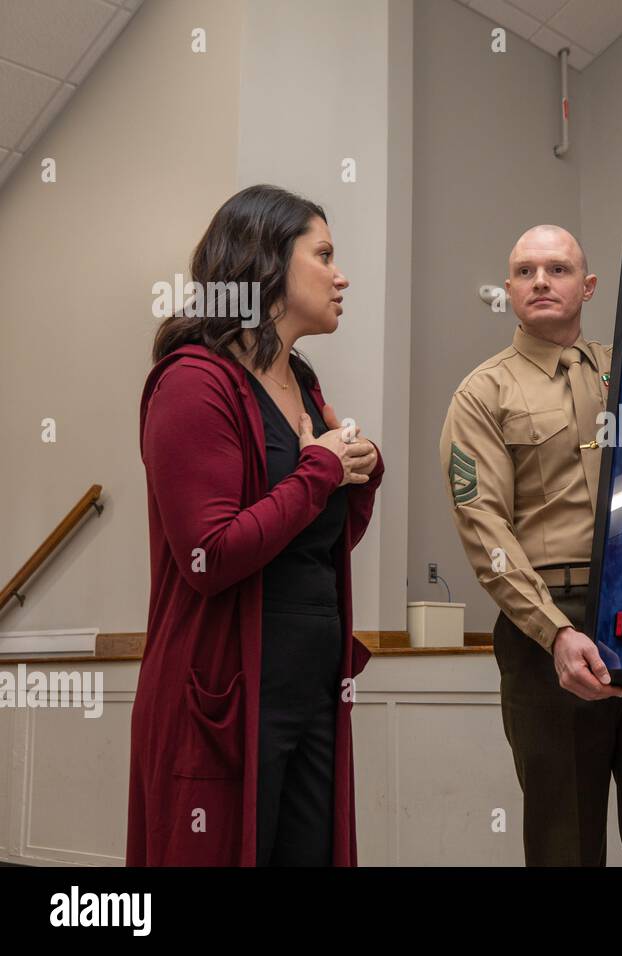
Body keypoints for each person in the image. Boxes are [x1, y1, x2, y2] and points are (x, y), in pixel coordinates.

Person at [439, 224, 622, 866]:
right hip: (549, 630)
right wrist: (556, 631)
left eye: (557, 269)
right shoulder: (484, 393)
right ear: (508, 290)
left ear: (587, 287)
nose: (540, 281)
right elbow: (485, 529)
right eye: (525, 271)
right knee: (565, 839)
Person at [129, 184, 383, 866]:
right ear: (267, 262)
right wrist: (320, 473)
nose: (341, 274)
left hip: (312, 688)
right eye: (324, 254)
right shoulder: (192, 382)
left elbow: (311, 544)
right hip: (225, 693)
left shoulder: (302, 379)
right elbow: (210, 556)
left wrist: (358, 471)